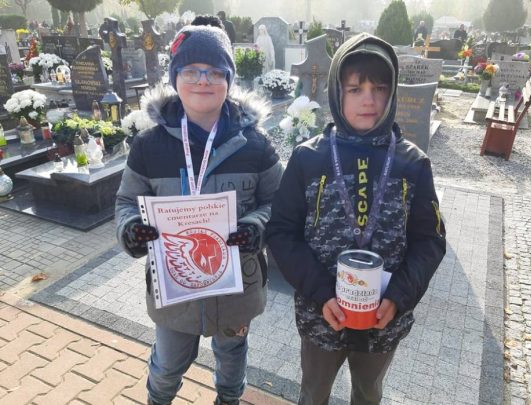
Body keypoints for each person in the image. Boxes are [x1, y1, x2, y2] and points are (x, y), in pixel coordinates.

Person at [265, 32, 446, 404]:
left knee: (368, 392)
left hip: (384, 320)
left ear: (392, 93)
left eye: (379, 88)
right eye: (355, 89)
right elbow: (281, 232)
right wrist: (320, 293)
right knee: (314, 392)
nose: (369, 100)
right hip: (321, 316)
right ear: (337, 92)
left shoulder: (413, 164)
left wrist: (399, 296)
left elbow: (430, 240)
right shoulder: (308, 158)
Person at [115, 25, 283, 405]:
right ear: (175, 77)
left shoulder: (256, 145)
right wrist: (131, 229)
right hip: (174, 290)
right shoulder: (148, 146)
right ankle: (158, 399)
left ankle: (229, 399)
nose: (203, 80)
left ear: (229, 80)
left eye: (215, 71)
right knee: (167, 364)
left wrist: (256, 227)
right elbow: (126, 201)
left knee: (232, 356)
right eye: (191, 70)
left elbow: (278, 203)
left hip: (237, 286)